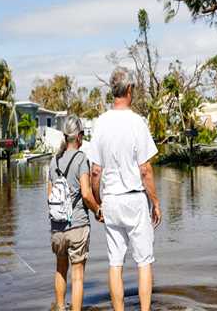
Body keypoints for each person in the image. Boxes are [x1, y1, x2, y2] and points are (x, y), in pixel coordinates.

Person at [89, 66, 162, 311]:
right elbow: (145, 170)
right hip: (134, 199)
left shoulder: (100, 124)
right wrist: (156, 203)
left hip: (111, 200)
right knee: (143, 262)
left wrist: (98, 203)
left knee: (115, 262)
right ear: (129, 89)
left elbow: (96, 172)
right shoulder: (137, 122)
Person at [47, 116, 102, 311]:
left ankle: (61, 307)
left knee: (60, 269)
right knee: (77, 275)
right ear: (78, 136)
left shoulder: (54, 161)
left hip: (57, 228)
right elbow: (86, 194)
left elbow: (50, 195)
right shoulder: (81, 159)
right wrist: (98, 210)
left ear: (65, 136)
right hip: (77, 226)